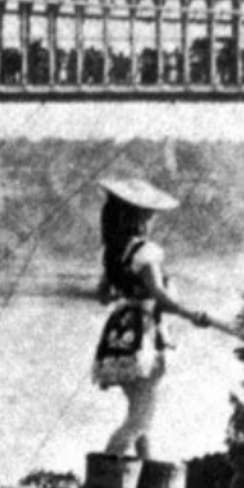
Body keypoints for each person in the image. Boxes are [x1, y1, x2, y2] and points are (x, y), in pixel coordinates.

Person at [92, 177, 210, 459]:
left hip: (120, 335)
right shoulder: (146, 252)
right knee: (141, 419)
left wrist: (127, 292)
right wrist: (191, 314)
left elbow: (103, 295)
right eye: (151, 214)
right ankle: (107, 476)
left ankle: (147, 484)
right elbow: (159, 295)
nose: (153, 219)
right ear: (141, 217)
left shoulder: (113, 252)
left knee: (140, 413)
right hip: (144, 336)